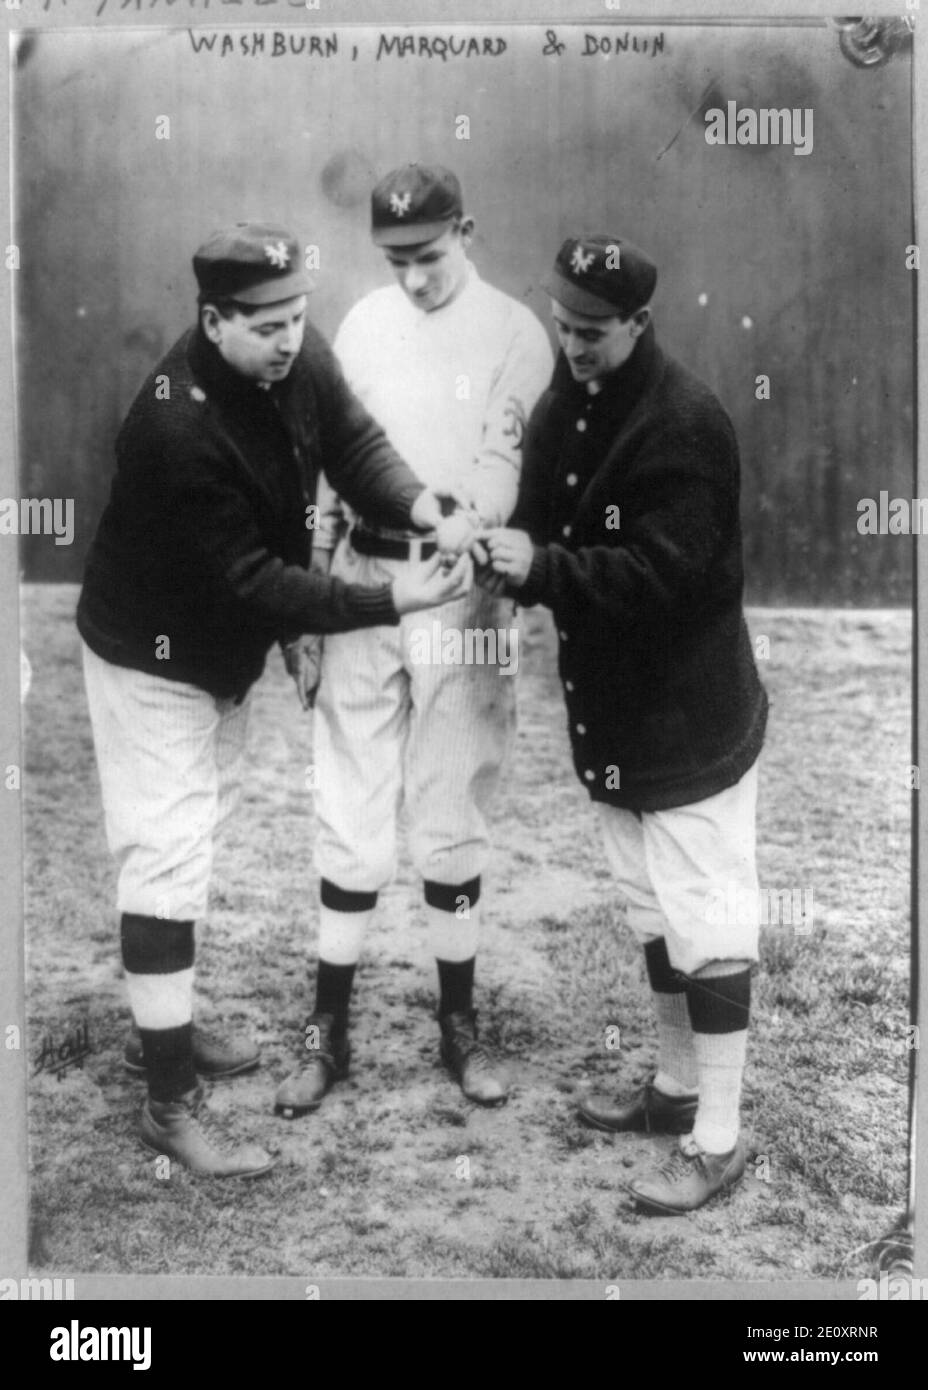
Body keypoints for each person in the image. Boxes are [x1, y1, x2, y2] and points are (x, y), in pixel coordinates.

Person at [77, 222, 471, 1177]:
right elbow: (257, 580)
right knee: (164, 857)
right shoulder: (174, 424)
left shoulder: (293, 348)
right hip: (154, 659)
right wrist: (389, 596)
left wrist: (424, 506)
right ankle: (167, 1101)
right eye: (265, 325)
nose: (290, 338)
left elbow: (354, 441)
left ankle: (158, 1031)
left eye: (297, 316)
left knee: (195, 835)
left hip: (219, 653)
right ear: (212, 320)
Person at [483, 234, 768, 1214]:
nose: (572, 344)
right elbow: (537, 518)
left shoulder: (685, 422)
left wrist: (541, 570)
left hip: (690, 718)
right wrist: (499, 546)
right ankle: (674, 1085)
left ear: (639, 322)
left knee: (708, 913)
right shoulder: (572, 397)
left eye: (593, 332)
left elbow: (662, 580)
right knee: (651, 907)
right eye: (563, 325)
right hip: (612, 714)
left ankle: (720, 1135)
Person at [274, 165, 553, 1117]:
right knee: (349, 804)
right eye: (395, 260)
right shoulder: (361, 325)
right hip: (360, 577)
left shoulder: (514, 331)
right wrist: (313, 595)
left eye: (429, 257)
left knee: (450, 801)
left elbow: (503, 462)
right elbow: (329, 463)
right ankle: (328, 1030)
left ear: (465, 230)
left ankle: (459, 1025)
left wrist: (466, 532)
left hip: (460, 594)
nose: (414, 278)